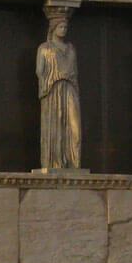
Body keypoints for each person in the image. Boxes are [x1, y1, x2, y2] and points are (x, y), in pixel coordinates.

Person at [36, 16, 81, 169]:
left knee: (74, 127)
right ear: (53, 29)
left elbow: (75, 70)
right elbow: (39, 71)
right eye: (61, 27)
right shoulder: (44, 48)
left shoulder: (71, 48)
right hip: (52, 89)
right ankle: (54, 162)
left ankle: (73, 162)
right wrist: (50, 80)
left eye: (65, 27)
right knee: (55, 125)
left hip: (70, 88)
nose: (63, 30)